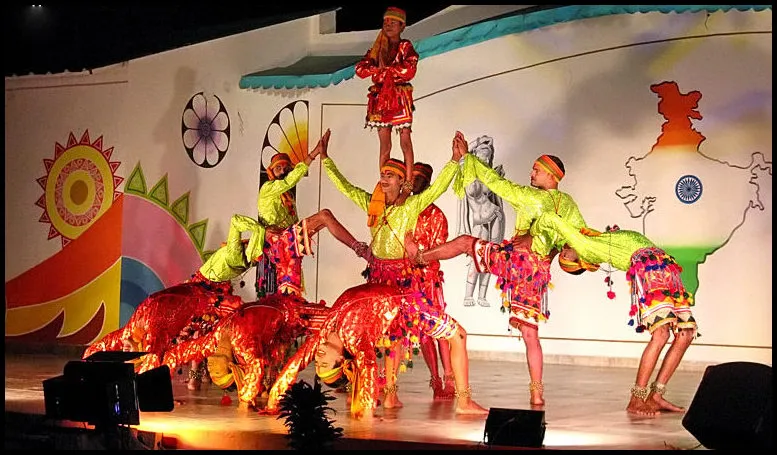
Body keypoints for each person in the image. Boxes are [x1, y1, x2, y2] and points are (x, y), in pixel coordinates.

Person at [405, 138, 590, 406]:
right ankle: (537, 394)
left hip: (514, 261)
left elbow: (494, 182)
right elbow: (575, 239)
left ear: (551, 175)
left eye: (536, 170)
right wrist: (550, 254)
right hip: (536, 272)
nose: (531, 174)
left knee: (465, 242)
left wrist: (467, 158)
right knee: (530, 335)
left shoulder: (528, 196)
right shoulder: (568, 204)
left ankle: (419, 257)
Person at [319, 130, 466, 408]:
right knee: (379, 336)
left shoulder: (410, 207)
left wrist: (454, 161)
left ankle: (397, 391)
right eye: (382, 174)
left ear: (403, 182)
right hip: (377, 277)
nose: (383, 179)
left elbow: (438, 189)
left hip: (401, 279)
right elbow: (344, 186)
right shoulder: (372, 205)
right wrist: (326, 159)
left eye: (390, 176)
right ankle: (383, 390)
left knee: (396, 336)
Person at [533, 212, 698, 416]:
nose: (564, 250)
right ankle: (636, 398)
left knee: (686, 333)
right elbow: (551, 218)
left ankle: (656, 396)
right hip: (649, 269)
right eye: (563, 255)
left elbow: (568, 219)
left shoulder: (592, 239)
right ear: (568, 258)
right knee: (661, 333)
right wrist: (534, 236)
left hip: (666, 266)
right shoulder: (584, 245)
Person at [263, 282, 489, 419]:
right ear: (341, 360)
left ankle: (391, 398)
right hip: (405, 302)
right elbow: (369, 366)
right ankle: (464, 402)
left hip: (388, 299)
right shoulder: (355, 341)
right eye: (324, 365)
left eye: (317, 364)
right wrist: (367, 410)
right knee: (458, 335)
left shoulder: (320, 337)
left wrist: (273, 401)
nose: (318, 359)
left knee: (393, 341)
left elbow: (293, 365)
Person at [162, 293, 332, 410]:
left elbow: (256, 364)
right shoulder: (214, 339)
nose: (211, 362)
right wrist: (160, 395)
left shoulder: (236, 344)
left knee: (335, 321)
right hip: (275, 317)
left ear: (234, 367)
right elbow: (176, 354)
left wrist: (244, 400)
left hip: (292, 314)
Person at [256, 129, 372, 297]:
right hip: (276, 244)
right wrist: (314, 153)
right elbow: (290, 180)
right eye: (278, 168)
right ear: (271, 172)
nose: (282, 171)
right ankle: (359, 249)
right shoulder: (268, 188)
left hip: (287, 246)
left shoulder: (287, 197)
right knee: (324, 215)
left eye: (285, 168)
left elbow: (293, 219)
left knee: (291, 294)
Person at [355, 6, 419, 206]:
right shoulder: (377, 48)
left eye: (393, 23)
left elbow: (410, 69)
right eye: (385, 22)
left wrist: (384, 71)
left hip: (399, 95)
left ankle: (407, 186)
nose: (388, 26)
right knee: (385, 145)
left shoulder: (405, 46)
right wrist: (384, 70)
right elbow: (361, 69)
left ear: (402, 26)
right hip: (381, 98)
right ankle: (385, 185)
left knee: (405, 141)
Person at [409, 162, 455, 399]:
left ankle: (449, 377)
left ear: (427, 183)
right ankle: (435, 379)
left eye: (418, 178)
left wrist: (416, 253)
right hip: (407, 280)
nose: (413, 182)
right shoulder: (404, 210)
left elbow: (437, 251)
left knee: (439, 329)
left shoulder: (436, 215)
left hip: (429, 280)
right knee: (422, 333)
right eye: (412, 177)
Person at [457, 135, 506, 307]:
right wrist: (477, 142)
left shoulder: (492, 175)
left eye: (488, 151)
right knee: (477, 258)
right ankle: (468, 295)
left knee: (491, 259)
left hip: (496, 217)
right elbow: (462, 159)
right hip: (480, 221)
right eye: (481, 151)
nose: (486, 151)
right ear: (474, 155)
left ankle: (482, 295)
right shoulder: (469, 172)